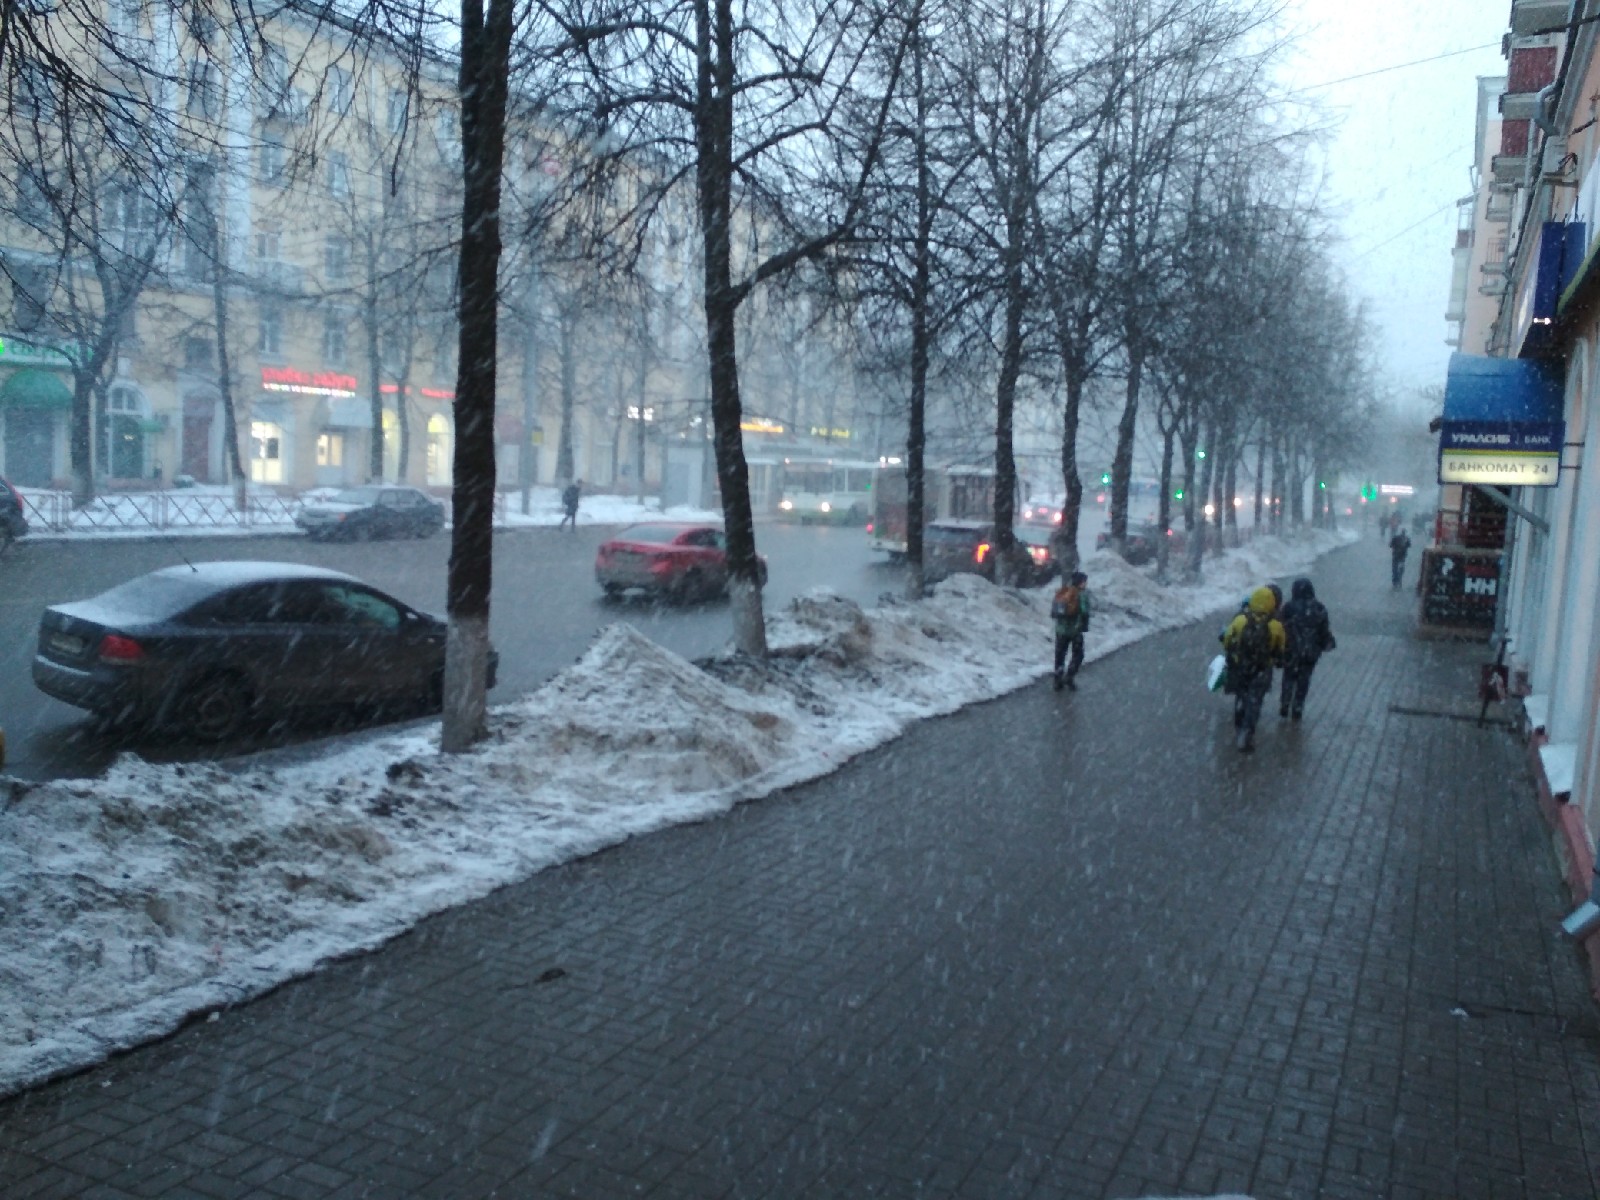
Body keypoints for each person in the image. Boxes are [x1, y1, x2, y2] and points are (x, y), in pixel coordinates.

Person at [1221, 585, 1286, 752]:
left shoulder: (1240, 620)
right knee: (1255, 700)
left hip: (1241, 666)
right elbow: (1281, 648)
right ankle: (1248, 732)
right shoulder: (1276, 625)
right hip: (1262, 669)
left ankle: (1239, 721)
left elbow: (1228, 639)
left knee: (1241, 695)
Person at [1277, 578, 1336, 720]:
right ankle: (1298, 707)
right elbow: (1323, 630)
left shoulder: (1289, 607)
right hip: (1310, 653)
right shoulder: (1319, 608)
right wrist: (1326, 643)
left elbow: (1280, 627)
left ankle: (1285, 702)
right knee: (1304, 680)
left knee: (1289, 677)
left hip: (1291, 650)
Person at [1051, 571, 1090, 692]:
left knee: (1060, 654)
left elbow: (1054, 612)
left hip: (1060, 630)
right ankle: (1069, 676)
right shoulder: (1081, 595)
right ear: (1080, 582)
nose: (1085, 584)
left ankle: (1058, 680)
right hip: (1075, 630)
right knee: (1078, 654)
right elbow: (1084, 612)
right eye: (1084, 581)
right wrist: (1084, 626)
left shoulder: (1063, 592)